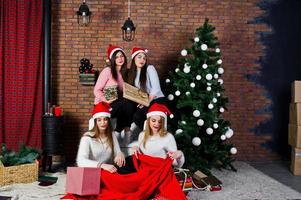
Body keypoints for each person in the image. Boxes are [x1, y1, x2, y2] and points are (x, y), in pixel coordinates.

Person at [94, 44, 134, 146]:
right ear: (112, 59)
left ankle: (124, 132)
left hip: (118, 104)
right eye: (116, 57)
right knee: (125, 104)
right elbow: (96, 90)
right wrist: (105, 99)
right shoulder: (108, 71)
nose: (120, 59)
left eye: (121, 56)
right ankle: (122, 132)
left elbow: (126, 93)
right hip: (104, 105)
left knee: (128, 103)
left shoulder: (126, 73)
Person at [76, 102, 125, 173]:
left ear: (108, 121)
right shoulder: (87, 138)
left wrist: (120, 154)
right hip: (92, 172)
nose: (103, 123)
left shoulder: (111, 134)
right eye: (99, 120)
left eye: (105, 119)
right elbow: (80, 161)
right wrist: (102, 165)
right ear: (95, 122)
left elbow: (118, 151)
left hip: (108, 170)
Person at [132, 103, 185, 168]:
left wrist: (180, 155)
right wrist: (136, 148)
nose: (156, 124)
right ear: (148, 121)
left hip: (159, 172)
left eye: (160, 122)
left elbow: (177, 165)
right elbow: (141, 155)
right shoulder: (142, 135)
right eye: (153, 121)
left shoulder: (168, 137)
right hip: (144, 168)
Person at [126, 47, 166, 132]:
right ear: (134, 59)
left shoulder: (149, 69)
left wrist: (146, 102)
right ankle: (146, 135)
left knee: (138, 116)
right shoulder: (132, 74)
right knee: (130, 111)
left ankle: (152, 136)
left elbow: (156, 88)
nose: (142, 60)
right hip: (145, 101)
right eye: (139, 57)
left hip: (157, 100)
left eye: (144, 58)